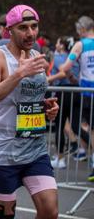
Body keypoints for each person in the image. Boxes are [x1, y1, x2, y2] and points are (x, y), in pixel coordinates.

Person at [0, 5, 59, 219]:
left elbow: (26, 100)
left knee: (50, 210)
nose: (31, 32)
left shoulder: (37, 57)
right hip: (3, 153)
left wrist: (46, 109)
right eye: (23, 27)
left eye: (34, 26)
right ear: (9, 30)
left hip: (35, 150)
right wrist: (19, 73)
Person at [50, 16, 94, 181]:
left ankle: (89, 161)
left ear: (81, 29)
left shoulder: (81, 44)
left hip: (87, 92)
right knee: (81, 125)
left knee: (85, 126)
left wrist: (70, 76)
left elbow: (65, 68)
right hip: (83, 92)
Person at [47, 36, 81, 169]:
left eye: (57, 42)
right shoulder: (75, 57)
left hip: (64, 93)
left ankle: (60, 158)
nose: (56, 44)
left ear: (62, 45)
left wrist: (49, 79)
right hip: (77, 92)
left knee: (60, 125)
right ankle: (67, 154)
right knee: (76, 125)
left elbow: (63, 72)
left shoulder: (62, 57)